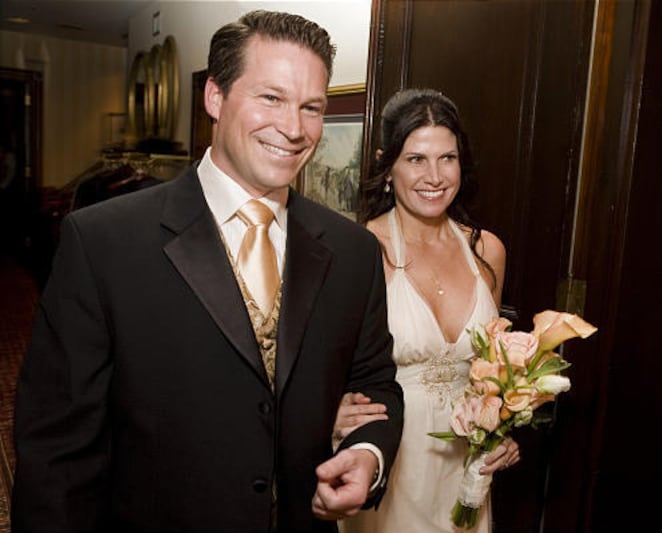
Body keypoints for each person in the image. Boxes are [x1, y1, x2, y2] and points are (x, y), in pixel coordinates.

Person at [12, 10, 403, 533]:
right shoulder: (104, 241)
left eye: (312, 107)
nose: (293, 128)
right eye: (271, 98)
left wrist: (368, 453)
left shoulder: (353, 250)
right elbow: (57, 450)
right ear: (215, 97)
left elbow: (376, 380)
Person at [336, 88, 520, 533]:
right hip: (390, 460)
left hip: (466, 469)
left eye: (448, 158)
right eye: (416, 159)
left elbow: (492, 372)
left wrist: (506, 431)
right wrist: (331, 412)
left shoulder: (486, 250)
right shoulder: (359, 251)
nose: (434, 176)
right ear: (387, 166)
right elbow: (322, 365)